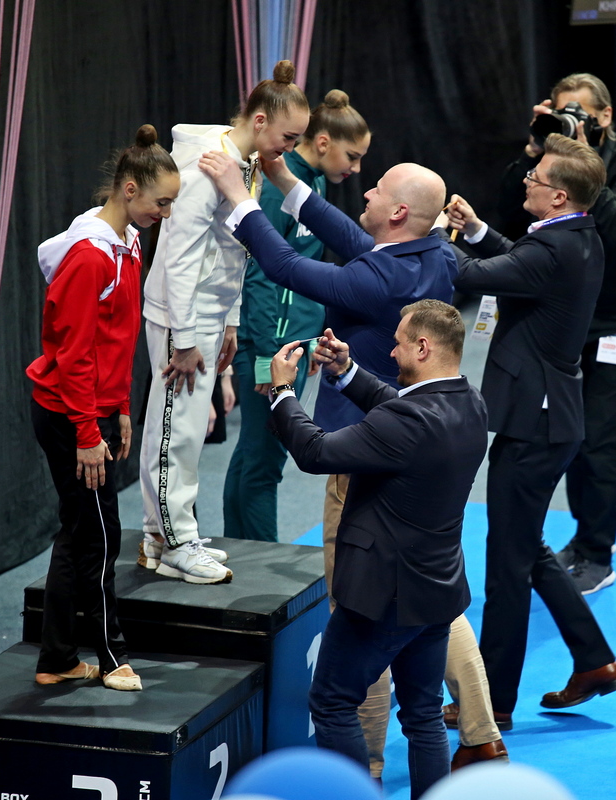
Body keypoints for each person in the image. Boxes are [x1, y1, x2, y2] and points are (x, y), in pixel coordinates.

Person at [198, 148, 507, 773]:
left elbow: (286, 265)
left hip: (368, 473)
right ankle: (478, 729)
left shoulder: (379, 285)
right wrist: (287, 183)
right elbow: (355, 239)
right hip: (434, 560)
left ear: (397, 212)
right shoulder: (436, 259)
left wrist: (239, 197)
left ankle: (360, 770)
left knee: (348, 658)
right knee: (425, 680)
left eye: (376, 191)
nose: (361, 195)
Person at [268, 301, 489, 800]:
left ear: (424, 347)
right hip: (436, 593)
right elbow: (399, 405)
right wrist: (347, 372)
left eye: (398, 341)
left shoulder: (406, 423)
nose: (391, 349)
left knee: (331, 701)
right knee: (424, 713)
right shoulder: (471, 404)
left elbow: (315, 451)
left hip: (381, 598)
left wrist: (283, 391)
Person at [444, 133, 616, 723]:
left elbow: (477, 277)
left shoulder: (553, 250)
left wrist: (418, 234)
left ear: (559, 197)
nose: (526, 179)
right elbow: (514, 265)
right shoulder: (574, 236)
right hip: (547, 419)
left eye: (537, 177)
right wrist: (474, 230)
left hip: (535, 425)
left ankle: (492, 704)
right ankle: (595, 661)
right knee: (527, 548)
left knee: (507, 566)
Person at [137, 60, 310, 584]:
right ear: (259, 121)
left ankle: (157, 536)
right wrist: (186, 339)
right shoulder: (205, 168)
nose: (289, 149)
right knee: (177, 433)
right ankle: (176, 543)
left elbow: (231, 251)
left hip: (208, 317)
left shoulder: (243, 163)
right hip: (179, 320)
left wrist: (230, 322)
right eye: (287, 137)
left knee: (184, 429)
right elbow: (178, 259)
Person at [28, 124, 181, 691]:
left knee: (80, 531)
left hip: (92, 408)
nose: (166, 213)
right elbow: (71, 354)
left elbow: (116, 339)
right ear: (129, 190)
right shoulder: (90, 258)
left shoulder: (130, 246)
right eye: (161, 202)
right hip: (68, 413)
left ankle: (57, 657)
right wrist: (87, 430)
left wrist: (119, 407)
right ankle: (111, 655)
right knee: (98, 536)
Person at [497, 72, 616, 595]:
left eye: (579, 113)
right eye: (561, 111)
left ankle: (597, 549)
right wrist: (532, 150)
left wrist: (587, 165)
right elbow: (511, 211)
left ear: (604, 117)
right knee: (562, 432)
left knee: (601, 438)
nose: (570, 122)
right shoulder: (545, 162)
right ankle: (575, 539)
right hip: (564, 319)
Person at [222, 89, 370, 543]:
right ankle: (260, 564)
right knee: (265, 460)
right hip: (272, 348)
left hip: (292, 344)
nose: (357, 169)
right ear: (323, 142)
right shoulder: (277, 182)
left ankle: (239, 549)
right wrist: (271, 357)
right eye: (353, 155)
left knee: (254, 454)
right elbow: (261, 271)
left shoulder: (312, 182)